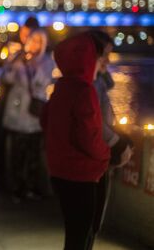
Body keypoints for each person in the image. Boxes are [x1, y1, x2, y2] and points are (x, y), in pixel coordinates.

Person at [41, 32, 110, 250]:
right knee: (83, 235)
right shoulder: (84, 90)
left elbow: (45, 120)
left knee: (73, 233)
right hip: (82, 175)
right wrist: (107, 153)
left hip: (60, 173)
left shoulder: (60, 87)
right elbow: (88, 138)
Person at [88, 30, 133, 237]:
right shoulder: (91, 84)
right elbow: (94, 122)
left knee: (89, 222)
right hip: (95, 157)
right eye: (104, 54)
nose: (108, 59)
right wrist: (118, 143)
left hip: (96, 155)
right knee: (90, 221)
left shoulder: (98, 80)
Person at [1, 29, 54, 202]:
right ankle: (16, 188)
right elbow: (6, 78)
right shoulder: (18, 58)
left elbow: (44, 82)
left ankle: (32, 186)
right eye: (33, 40)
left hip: (35, 112)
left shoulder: (47, 62)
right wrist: (15, 63)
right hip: (17, 111)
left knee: (34, 153)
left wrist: (32, 68)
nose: (35, 44)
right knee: (16, 153)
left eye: (39, 41)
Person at [0, 16, 39, 190]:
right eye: (24, 31)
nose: (26, 36)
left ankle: (21, 181)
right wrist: (5, 54)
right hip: (6, 96)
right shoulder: (11, 45)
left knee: (21, 143)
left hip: (24, 100)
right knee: (1, 138)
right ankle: (1, 176)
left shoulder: (37, 50)